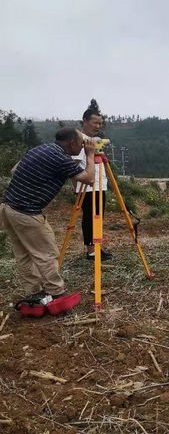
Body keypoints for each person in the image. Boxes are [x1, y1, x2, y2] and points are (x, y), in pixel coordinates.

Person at [0, 128, 96, 301]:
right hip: (26, 212)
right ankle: (57, 293)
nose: (83, 147)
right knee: (47, 253)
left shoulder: (40, 149)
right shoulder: (61, 159)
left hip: (7, 207)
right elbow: (89, 179)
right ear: (71, 143)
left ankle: (34, 292)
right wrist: (90, 155)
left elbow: (14, 171)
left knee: (23, 254)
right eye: (82, 143)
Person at [72, 108, 113, 261]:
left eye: (100, 123)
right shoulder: (79, 140)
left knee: (98, 217)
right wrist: (74, 185)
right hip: (88, 187)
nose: (97, 126)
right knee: (90, 218)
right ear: (85, 121)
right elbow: (73, 166)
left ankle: (97, 248)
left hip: (99, 185)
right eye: (95, 122)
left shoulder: (93, 141)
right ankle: (91, 251)